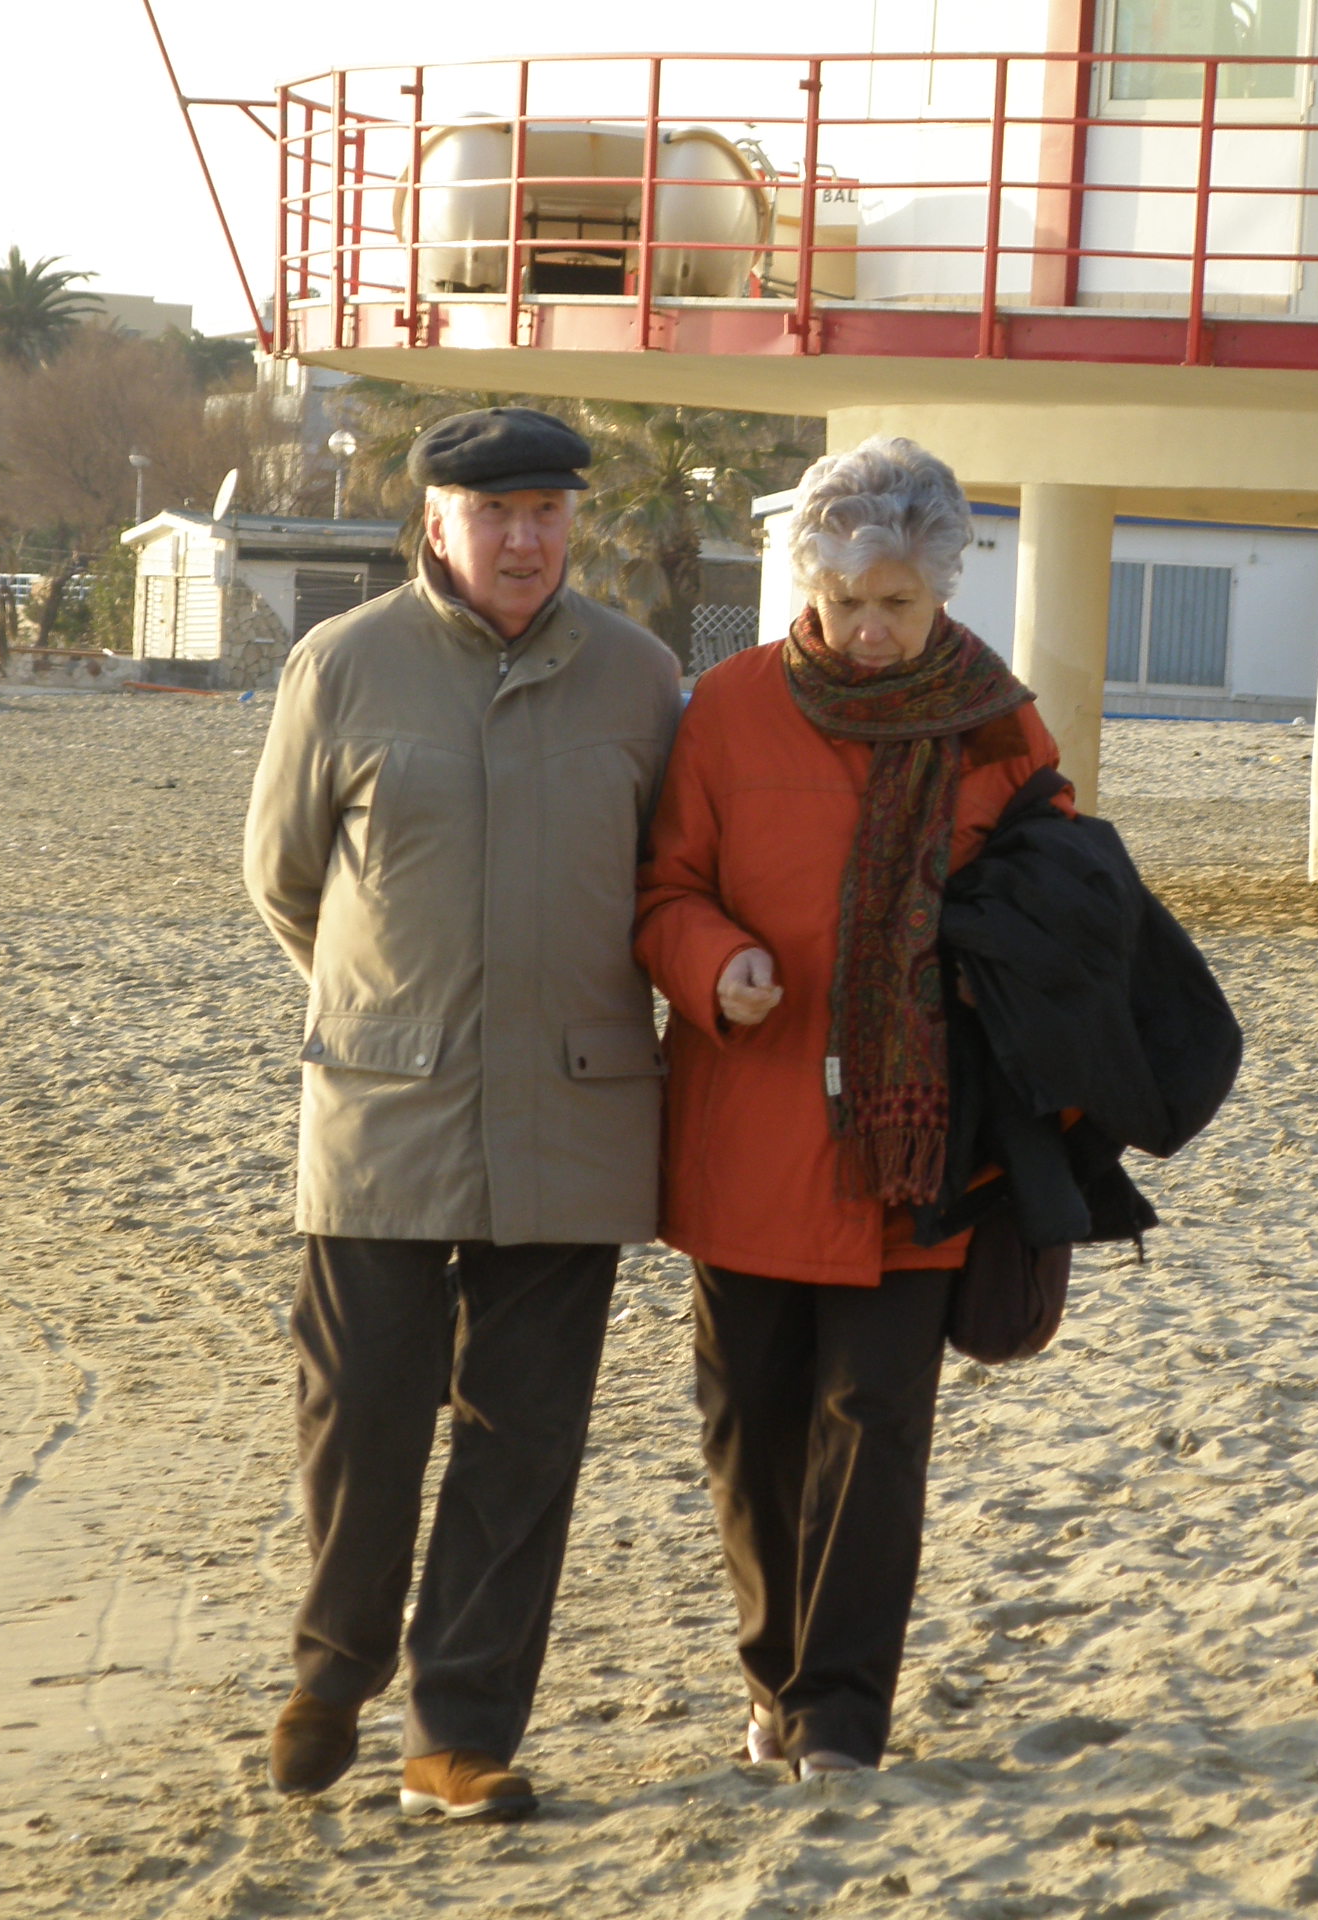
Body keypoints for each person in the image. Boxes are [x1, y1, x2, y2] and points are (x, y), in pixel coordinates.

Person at [242, 408, 682, 1822]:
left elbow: (670, 881)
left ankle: (460, 1734)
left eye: (548, 511)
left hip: (576, 1116)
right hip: (385, 1115)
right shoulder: (342, 663)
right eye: (496, 514)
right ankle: (333, 1671)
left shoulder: (641, 678)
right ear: (436, 522)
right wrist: (390, 1006)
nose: (525, 539)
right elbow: (283, 880)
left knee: (523, 1444)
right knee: (358, 1413)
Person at [635, 436, 1064, 1776]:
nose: (870, 630)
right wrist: (716, 963)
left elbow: (1061, 916)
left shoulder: (998, 722)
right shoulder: (728, 708)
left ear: (942, 590)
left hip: (921, 1147)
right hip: (748, 1132)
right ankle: (773, 1679)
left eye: (899, 603)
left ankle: (839, 1713)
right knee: (748, 1431)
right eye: (844, 601)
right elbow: (664, 890)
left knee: (875, 1432)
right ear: (803, 585)